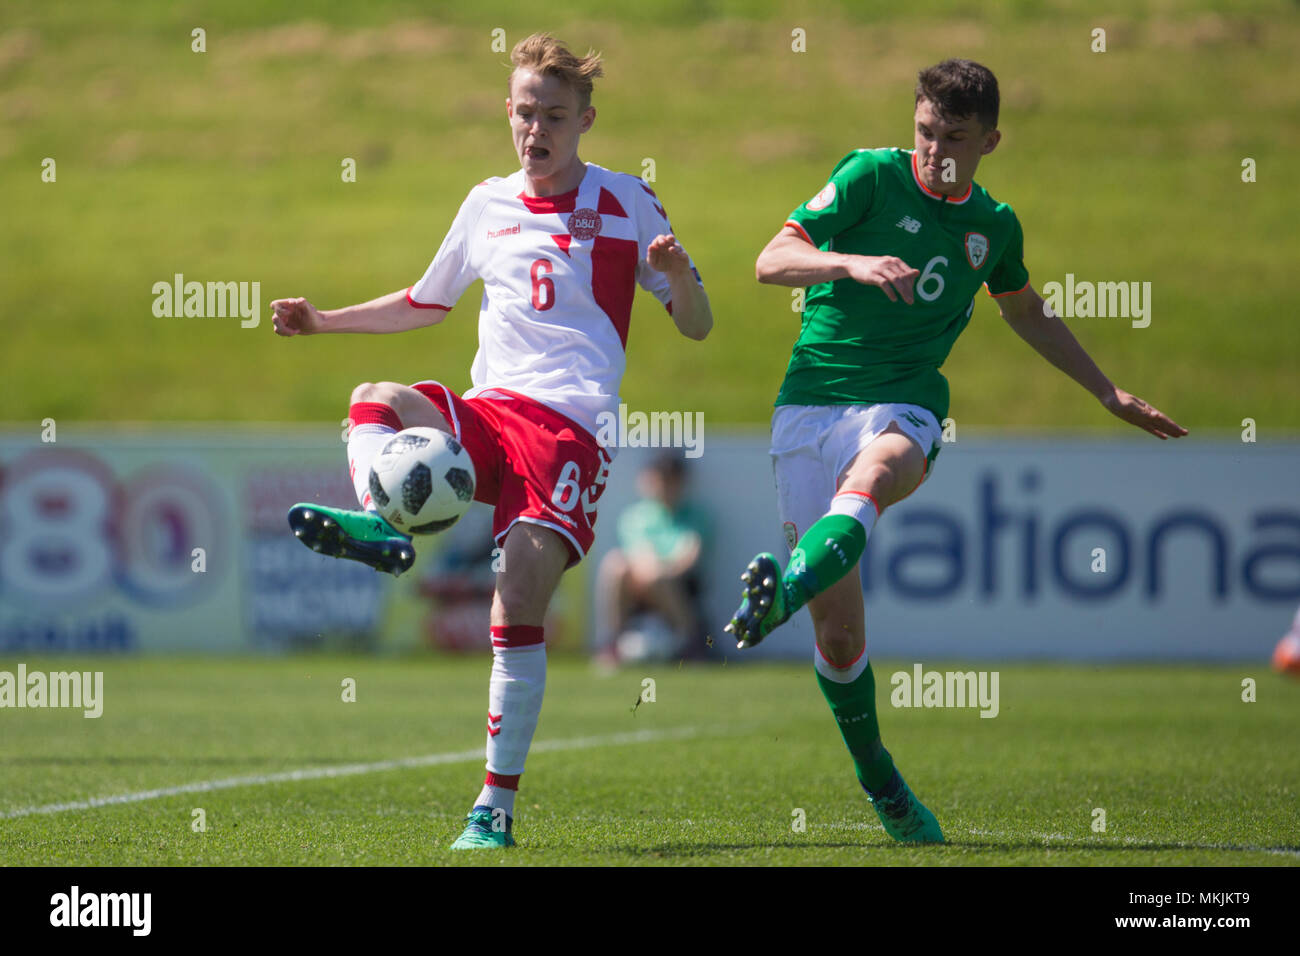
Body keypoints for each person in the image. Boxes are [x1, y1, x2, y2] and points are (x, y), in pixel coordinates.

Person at [725, 58, 1186, 844]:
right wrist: (850, 262)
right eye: (926, 131)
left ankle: (783, 593)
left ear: (991, 141)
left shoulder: (994, 227)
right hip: (810, 406)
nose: (936, 150)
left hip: (905, 402)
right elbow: (771, 259)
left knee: (876, 475)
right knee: (840, 641)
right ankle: (885, 787)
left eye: (955, 138)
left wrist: (1106, 392)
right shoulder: (869, 176)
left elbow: (1027, 311)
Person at [270, 33, 711, 850]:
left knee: (517, 601)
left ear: (585, 118)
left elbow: (698, 326)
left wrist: (679, 276)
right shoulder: (487, 204)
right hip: (490, 413)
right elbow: (425, 301)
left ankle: (494, 808)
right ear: (505, 113)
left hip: (570, 431)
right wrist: (325, 319)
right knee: (376, 397)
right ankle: (377, 522)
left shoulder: (627, 202)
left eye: (551, 114)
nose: (533, 129)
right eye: (521, 112)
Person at [594, 453, 708, 665]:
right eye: (660, 479)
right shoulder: (635, 517)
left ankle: (691, 641)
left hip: (677, 584)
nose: (664, 486)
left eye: (671, 480)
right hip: (640, 581)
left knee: (656, 575)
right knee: (615, 564)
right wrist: (652, 571)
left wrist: (660, 571)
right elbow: (638, 555)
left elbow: (690, 556)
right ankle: (612, 643)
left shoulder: (695, 516)